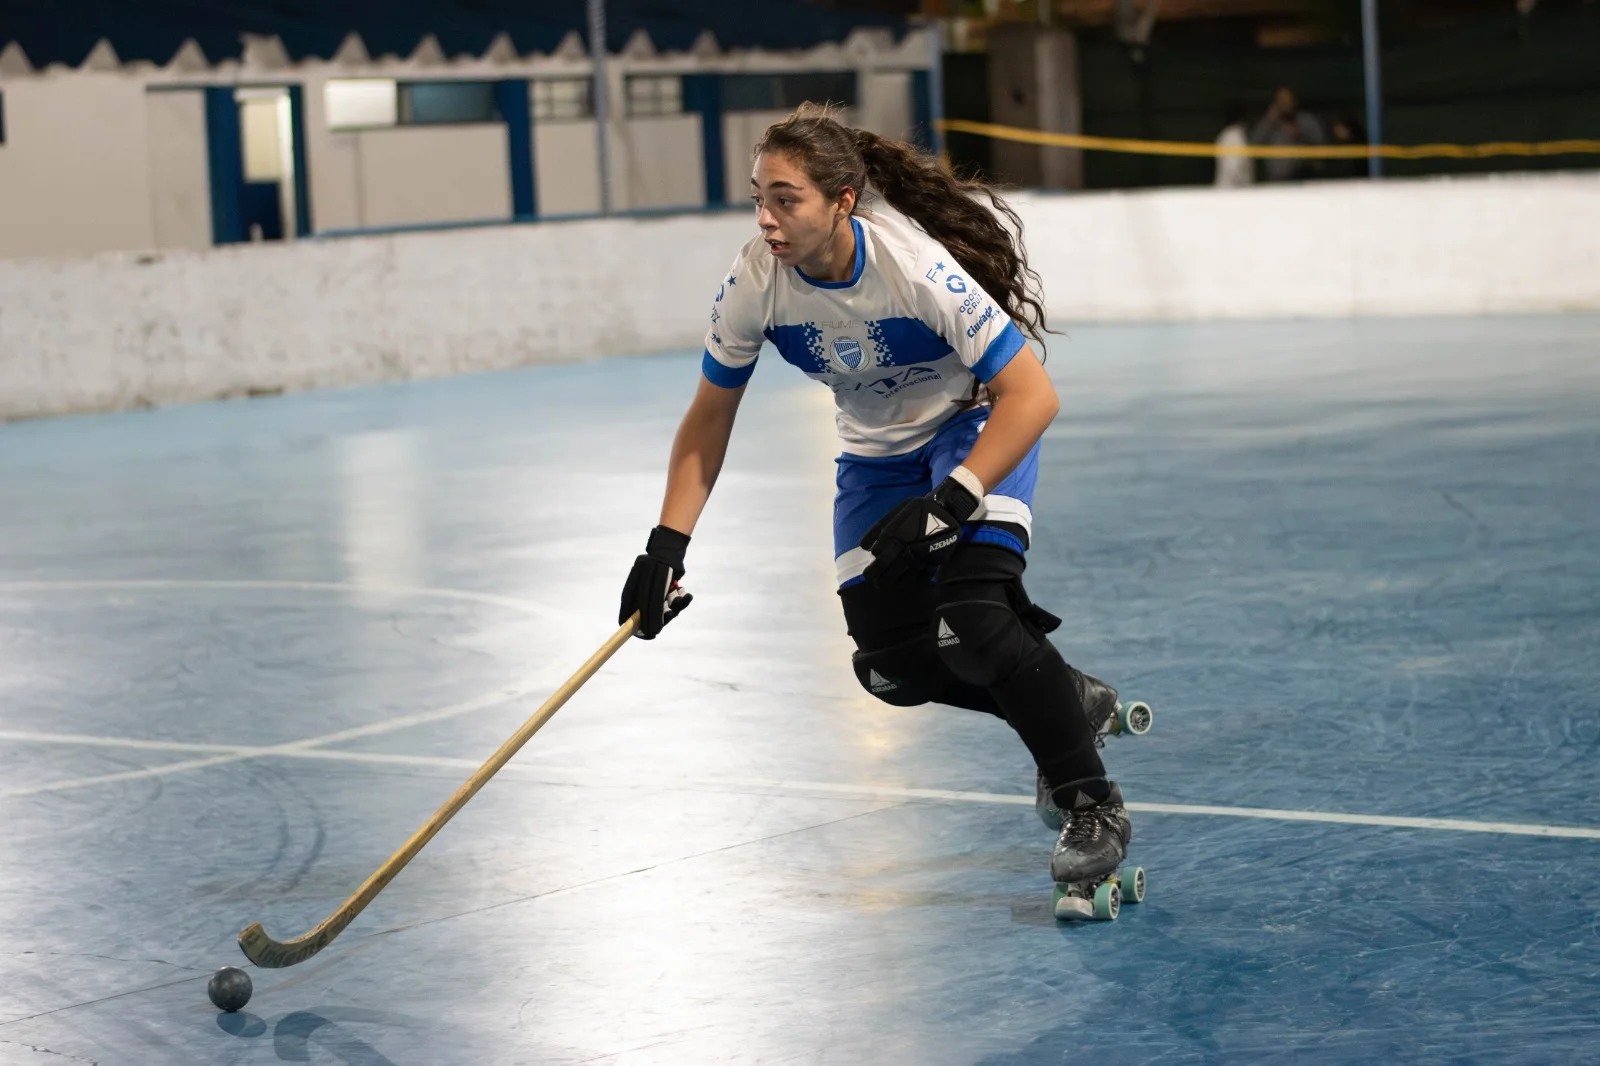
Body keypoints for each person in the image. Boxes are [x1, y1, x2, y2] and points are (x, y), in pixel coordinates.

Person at [616, 103, 1136, 907]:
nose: (767, 218)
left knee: (976, 614)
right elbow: (707, 419)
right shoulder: (756, 280)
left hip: (973, 429)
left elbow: (1032, 395)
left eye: (786, 199)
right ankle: (1065, 698)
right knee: (889, 664)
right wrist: (665, 546)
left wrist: (953, 500)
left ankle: (1089, 800)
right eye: (758, 197)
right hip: (876, 457)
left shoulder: (912, 266)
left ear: (843, 204)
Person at [1251, 86, 1326, 182]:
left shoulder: (1306, 121)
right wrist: (1269, 120)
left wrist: (1300, 136)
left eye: (1287, 100)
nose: (1284, 104)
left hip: (1304, 179)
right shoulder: (1269, 123)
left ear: (1294, 101)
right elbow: (1253, 145)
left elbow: (1322, 146)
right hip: (1275, 180)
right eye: (1281, 100)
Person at [1214, 100, 1254, 188]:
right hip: (1232, 193)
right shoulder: (1233, 135)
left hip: (1232, 192)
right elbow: (1233, 167)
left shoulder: (1227, 134)